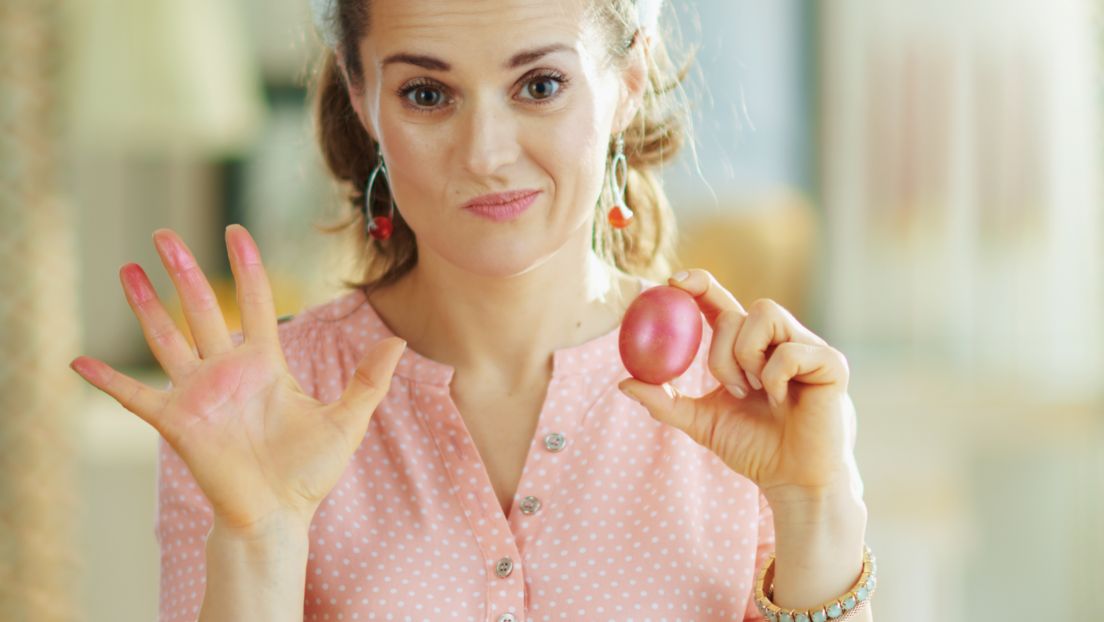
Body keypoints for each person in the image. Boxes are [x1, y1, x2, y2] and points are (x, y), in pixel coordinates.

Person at [69, 0, 877, 620]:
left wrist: (813, 504)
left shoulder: (741, 401)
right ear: (361, 96)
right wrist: (258, 544)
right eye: (427, 92)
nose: (486, 153)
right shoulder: (250, 411)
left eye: (540, 85)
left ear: (629, 81)